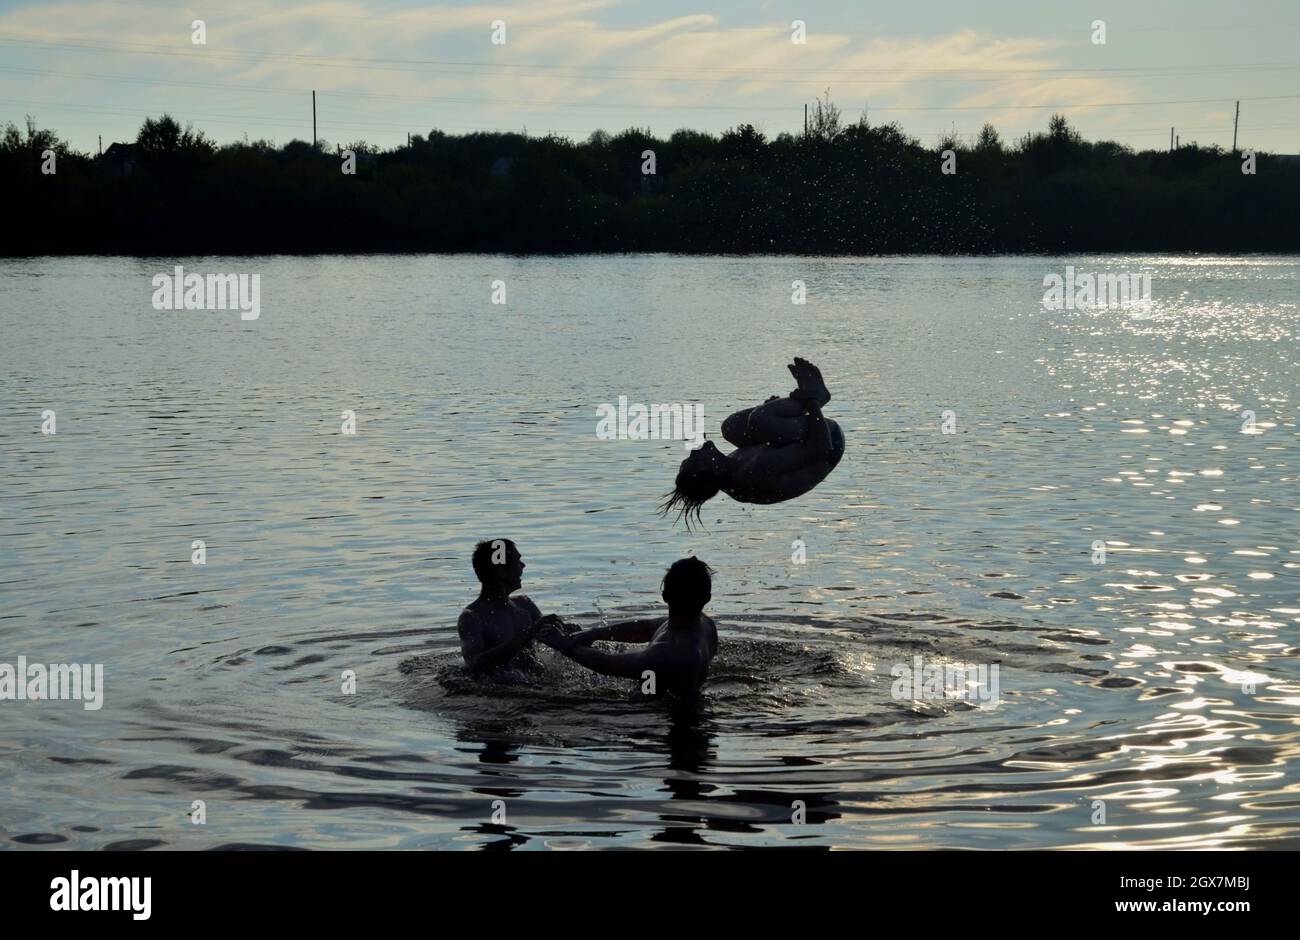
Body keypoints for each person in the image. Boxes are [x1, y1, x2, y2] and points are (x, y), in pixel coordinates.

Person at [660, 357, 844, 529]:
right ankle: (814, 395)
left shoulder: (728, 468)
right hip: (829, 440)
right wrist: (811, 403)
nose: (693, 452)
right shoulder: (756, 472)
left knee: (731, 427)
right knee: (760, 420)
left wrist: (776, 418)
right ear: (712, 471)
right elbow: (819, 448)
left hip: (801, 445)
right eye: (695, 460)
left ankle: (804, 402)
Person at [551, 557, 718, 697]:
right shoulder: (706, 627)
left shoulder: (668, 652)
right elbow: (645, 628)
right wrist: (592, 634)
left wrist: (563, 645)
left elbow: (606, 664)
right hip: (680, 709)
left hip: (657, 719)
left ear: (665, 596)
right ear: (707, 598)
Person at [457, 539, 568, 676]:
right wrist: (530, 633)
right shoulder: (472, 617)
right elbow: (474, 663)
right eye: (518, 561)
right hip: (498, 692)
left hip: (532, 684)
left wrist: (571, 633)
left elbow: (554, 638)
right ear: (501, 571)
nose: (523, 565)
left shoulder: (525, 605)